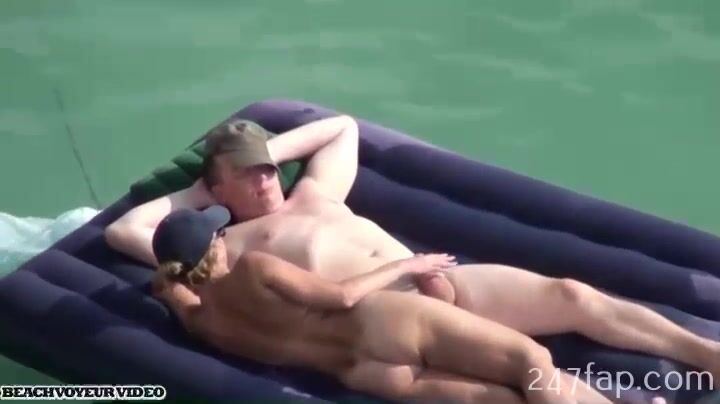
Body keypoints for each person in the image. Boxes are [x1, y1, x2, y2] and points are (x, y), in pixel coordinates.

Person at [105, 115, 720, 392]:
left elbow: (342, 127)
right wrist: (202, 191)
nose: (264, 178)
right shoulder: (229, 248)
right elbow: (127, 232)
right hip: (393, 318)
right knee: (528, 376)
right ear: (216, 191)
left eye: (266, 168)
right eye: (247, 174)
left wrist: (261, 148)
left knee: (571, 295)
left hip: (445, 283)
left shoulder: (315, 192)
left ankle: (705, 357)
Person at [149, 205, 610, 404]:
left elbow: (173, 295)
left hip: (363, 373)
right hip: (381, 326)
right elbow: (343, 296)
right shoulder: (254, 268)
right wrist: (408, 264)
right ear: (216, 243)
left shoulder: (203, 323)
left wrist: (169, 286)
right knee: (532, 362)